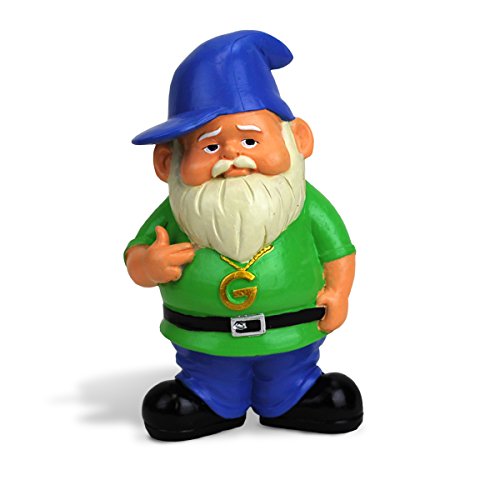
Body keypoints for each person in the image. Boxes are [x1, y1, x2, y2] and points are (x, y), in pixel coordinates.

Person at [125, 31, 363, 441]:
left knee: (303, 380)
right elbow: (136, 256)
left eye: (251, 139)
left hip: (290, 336)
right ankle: (210, 398)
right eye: (210, 148)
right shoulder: (180, 210)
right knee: (191, 393)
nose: (234, 156)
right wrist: (149, 264)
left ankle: (294, 394)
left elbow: (338, 251)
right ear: (167, 163)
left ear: (299, 140)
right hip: (207, 342)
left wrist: (338, 293)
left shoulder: (304, 204)